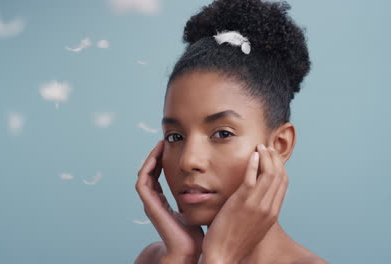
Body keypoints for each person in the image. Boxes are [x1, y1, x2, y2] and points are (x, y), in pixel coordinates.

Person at [135, 0, 328, 263]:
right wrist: (182, 256)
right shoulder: (157, 258)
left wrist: (218, 258)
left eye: (222, 134)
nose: (189, 161)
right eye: (175, 137)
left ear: (280, 145)